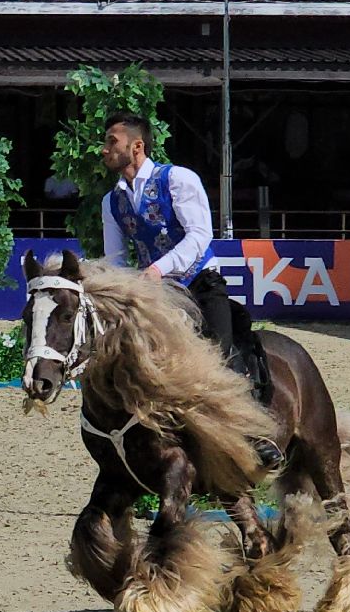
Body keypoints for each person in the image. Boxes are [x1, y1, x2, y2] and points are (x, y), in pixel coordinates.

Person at [99, 112, 283, 471]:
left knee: (223, 355)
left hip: (200, 285)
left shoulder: (178, 180)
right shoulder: (112, 201)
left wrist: (156, 269)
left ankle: (254, 434)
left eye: (112, 142)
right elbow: (115, 258)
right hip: (156, 297)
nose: (104, 149)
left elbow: (199, 235)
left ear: (137, 146)